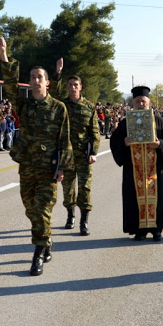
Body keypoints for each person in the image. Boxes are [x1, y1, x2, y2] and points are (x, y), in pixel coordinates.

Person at [0, 36, 73, 277]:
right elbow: (10, 88)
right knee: (30, 210)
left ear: (48, 83)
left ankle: (38, 253)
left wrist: (62, 167)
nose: (35, 80)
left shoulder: (58, 108)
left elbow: (65, 139)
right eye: (32, 77)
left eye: (39, 77)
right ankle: (47, 239)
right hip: (28, 167)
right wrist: (3, 54)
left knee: (42, 210)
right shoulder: (24, 106)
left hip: (49, 169)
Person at [110, 86, 163, 242]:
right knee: (134, 198)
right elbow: (115, 141)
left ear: (149, 103)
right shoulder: (126, 123)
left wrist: (160, 144)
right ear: (133, 103)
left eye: (143, 101)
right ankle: (139, 230)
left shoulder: (158, 121)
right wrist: (124, 143)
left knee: (157, 198)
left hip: (154, 169)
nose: (141, 104)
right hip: (134, 168)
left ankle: (156, 230)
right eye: (138, 101)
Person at [50, 58, 100, 236]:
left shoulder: (89, 107)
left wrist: (93, 152)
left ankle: (84, 221)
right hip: (66, 156)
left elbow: (95, 132)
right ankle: (70, 215)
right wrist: (58, 72)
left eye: (75, 85)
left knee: (85, 189)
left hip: (84, 156)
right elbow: (53, 93)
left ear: (80, 87)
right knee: (68, 189)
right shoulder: (62, 105)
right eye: (70, 84)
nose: (72, 87)